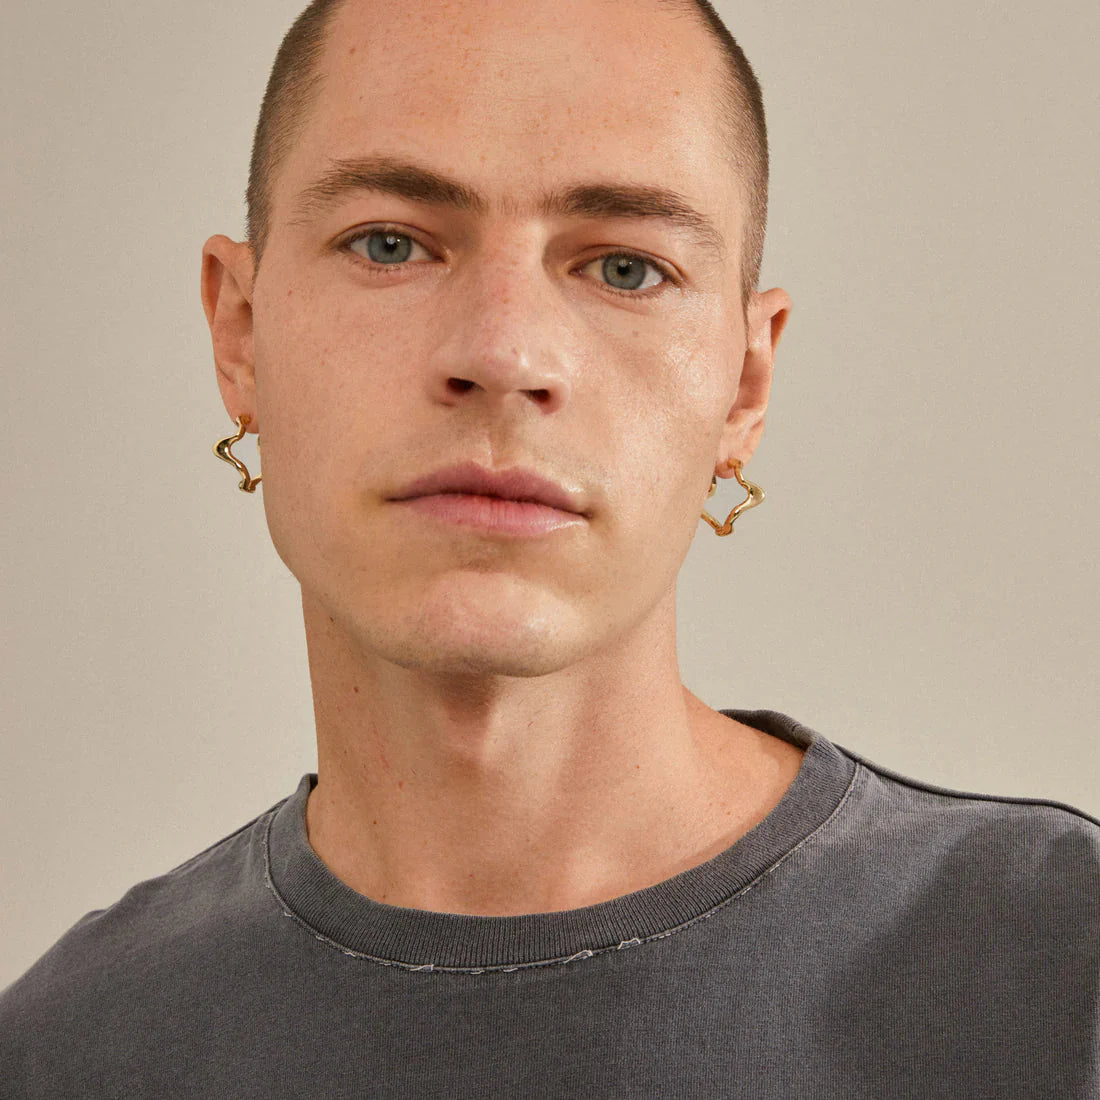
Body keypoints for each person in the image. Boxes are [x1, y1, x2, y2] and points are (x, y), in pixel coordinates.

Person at [2, 0, 1097, 1095]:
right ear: (239, 333)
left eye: (624, 268)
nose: (502, 352)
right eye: (390, 244)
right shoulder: (65, 1054)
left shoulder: (1059, 970)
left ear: (744, 384)